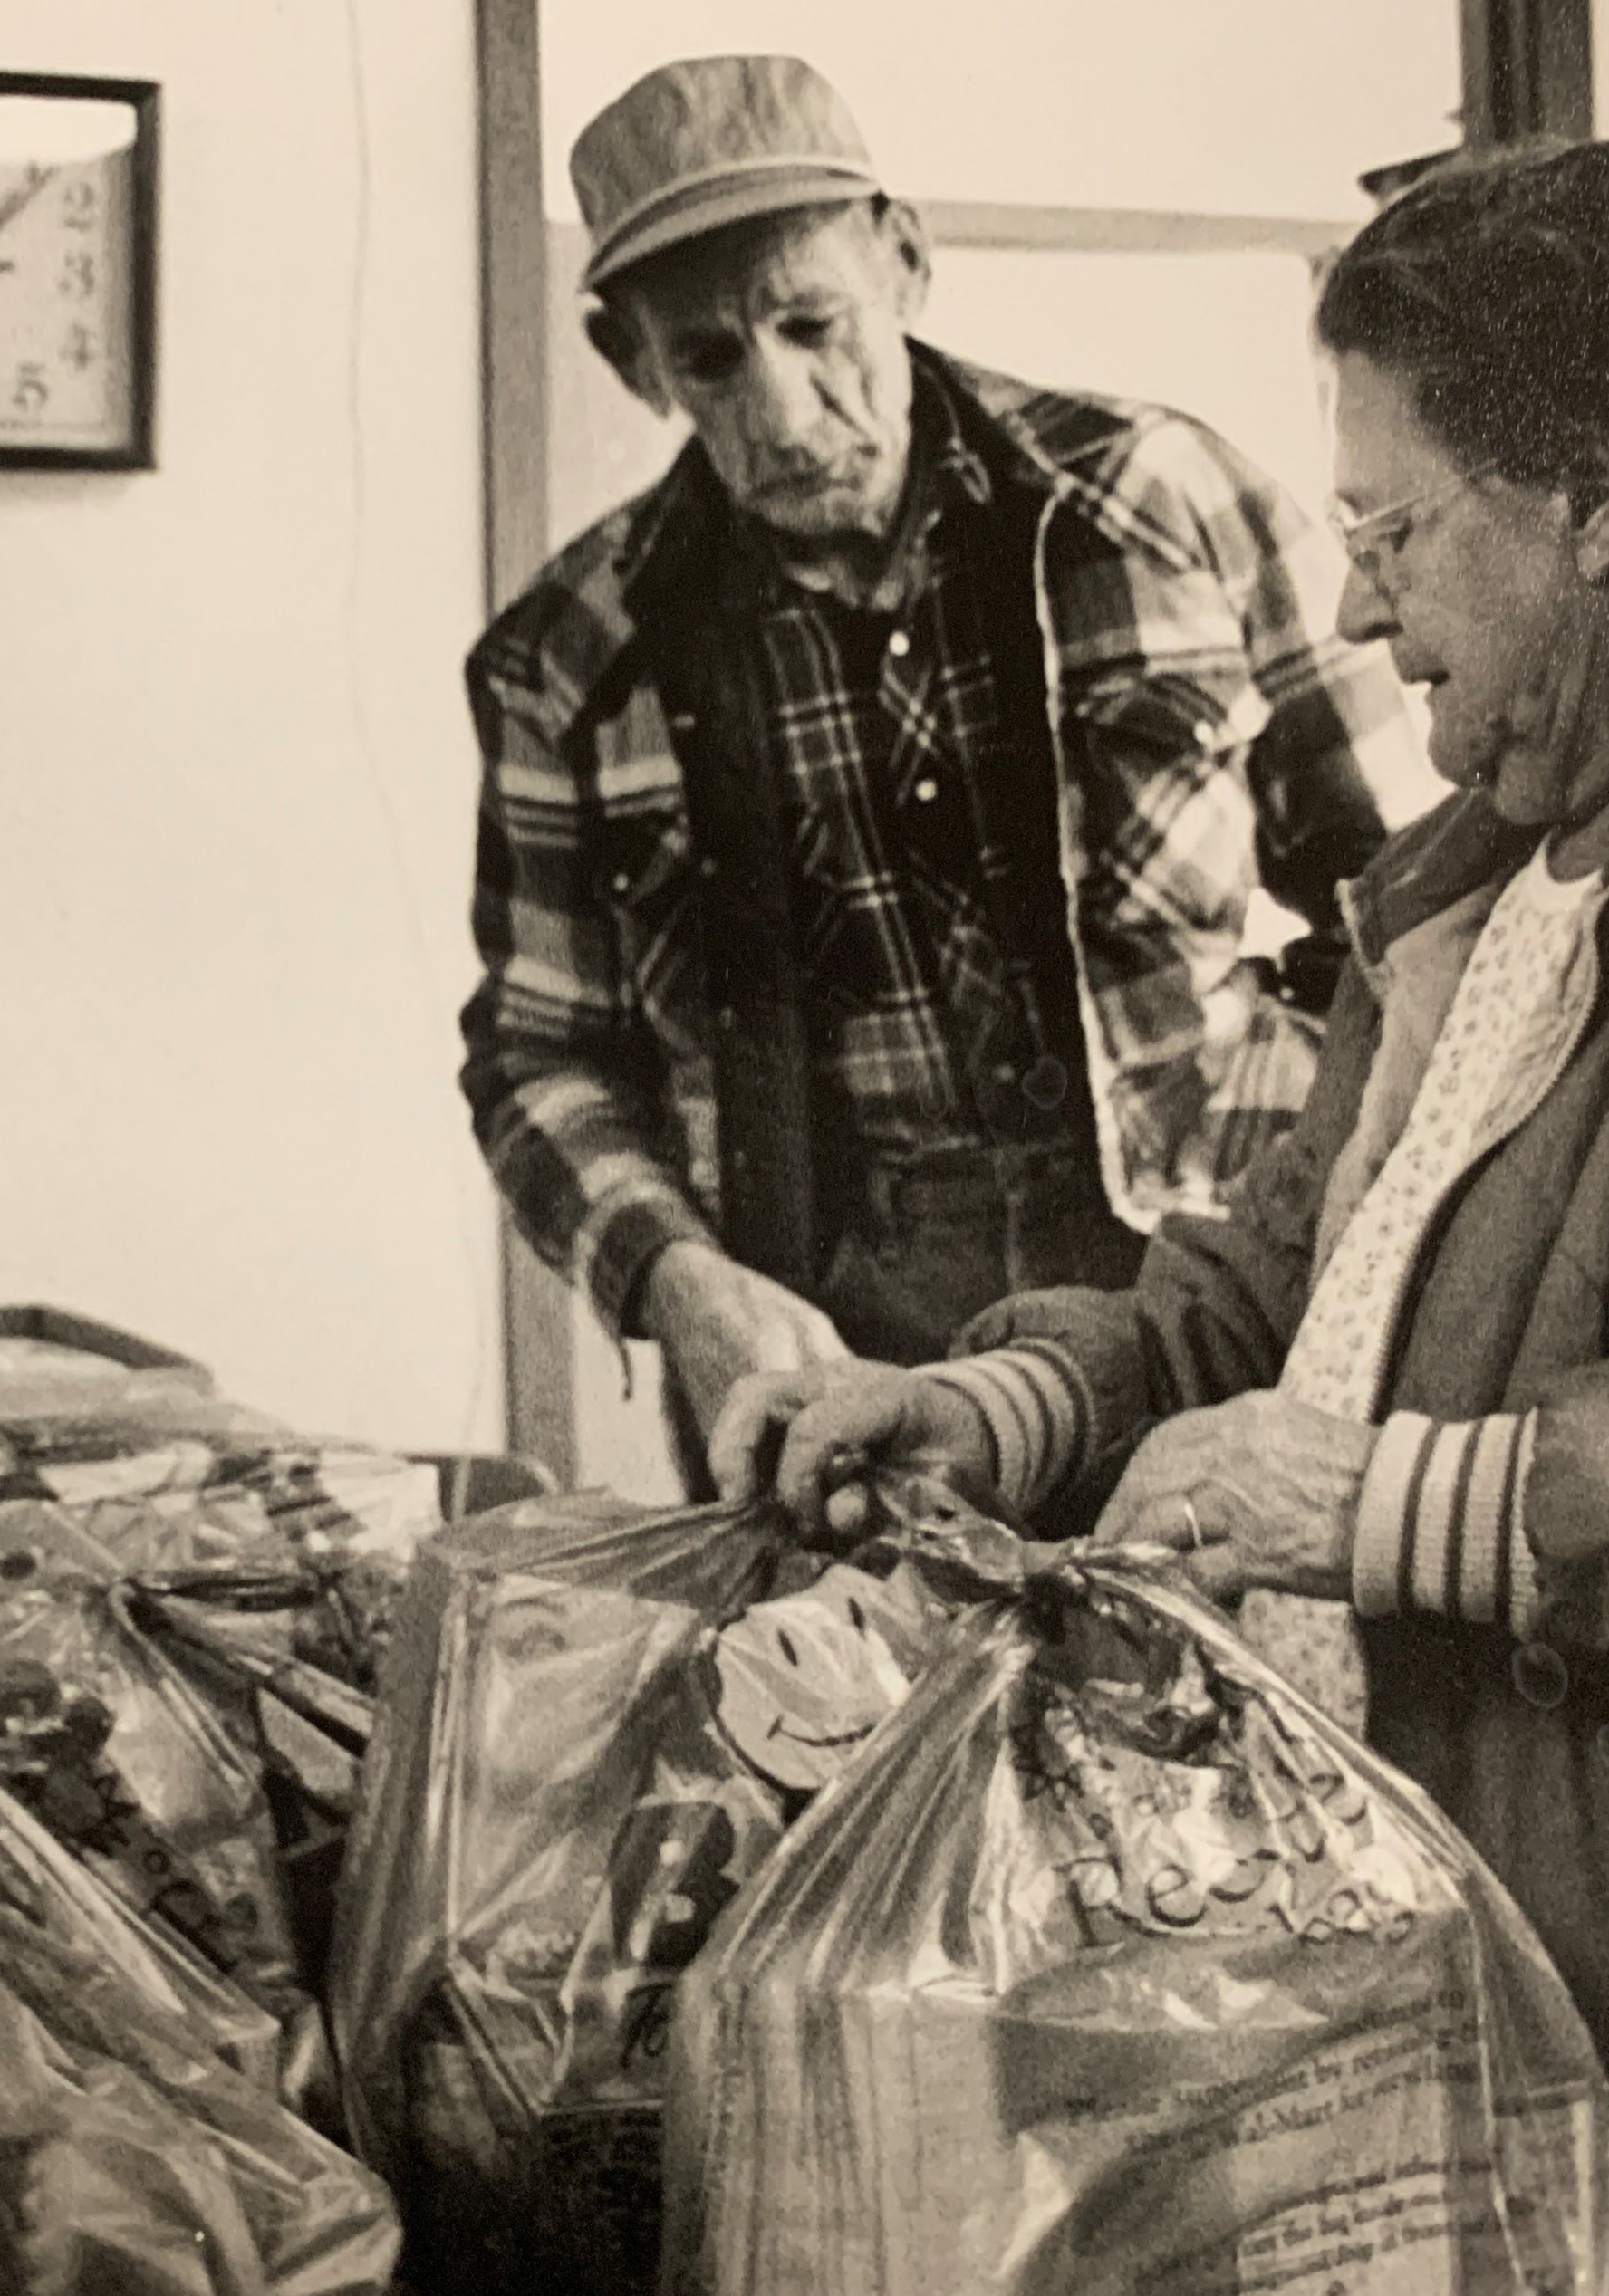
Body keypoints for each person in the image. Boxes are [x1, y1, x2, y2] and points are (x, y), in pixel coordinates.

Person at [718, 138, 1609, 2296]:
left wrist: (1381, 1499)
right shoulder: (1481, 885)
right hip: (1484, 2098)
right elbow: (1285, 1292)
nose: (1349, 611)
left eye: (1389, 530)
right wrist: (1004, 1403)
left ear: (1597, 501)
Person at [457, 53, 1413, 1486]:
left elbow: (1407, 905)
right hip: (837, 1347)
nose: (781, 412)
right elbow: (543, 1052)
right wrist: (670, 1276)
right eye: (711, 359)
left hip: (1204, 1280)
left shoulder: (1168, 502)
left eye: (810, 323)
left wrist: (1338, 1212)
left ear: (903, 263)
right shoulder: (566, 660)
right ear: (629, 360)